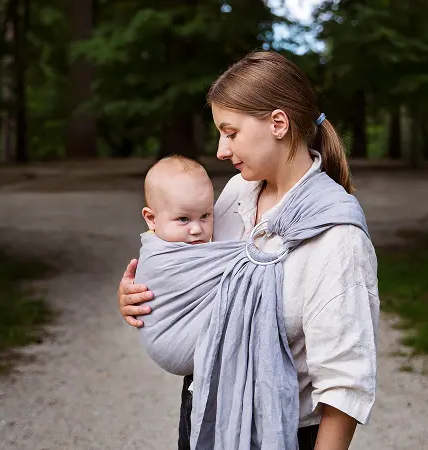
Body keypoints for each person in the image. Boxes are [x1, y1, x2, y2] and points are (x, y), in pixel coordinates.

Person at [118, 50, 380, 450]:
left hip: (282, 431)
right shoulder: (240, 191)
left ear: (277, 123)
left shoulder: (337, 236)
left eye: (231, 132)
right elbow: (200, 276)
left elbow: (346, 385)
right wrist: (142, 295)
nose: (221, 150)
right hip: (208, 410)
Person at [141, 155, 214, 245]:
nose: (197, 229)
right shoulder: (157, 254)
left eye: (205, 216)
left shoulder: (218, 243)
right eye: (183, 219)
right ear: (151, 218)